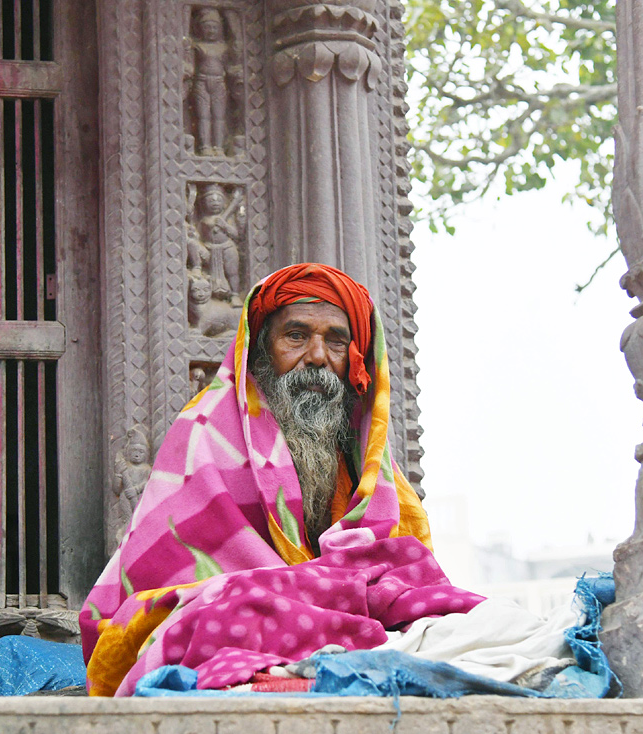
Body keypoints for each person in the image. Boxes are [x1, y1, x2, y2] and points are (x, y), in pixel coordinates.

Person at [80, 263, 487, 697]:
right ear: (261, 351)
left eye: (336, 341)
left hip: (327, 624)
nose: (316, 356)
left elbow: (404, 572)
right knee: (227, 613)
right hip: (233, 616)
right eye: (296, 336)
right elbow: (181, 593)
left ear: (356, 359)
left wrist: (346, 597)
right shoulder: (205, 431)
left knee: (470, 623)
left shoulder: (363, 459)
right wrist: (321, 598)